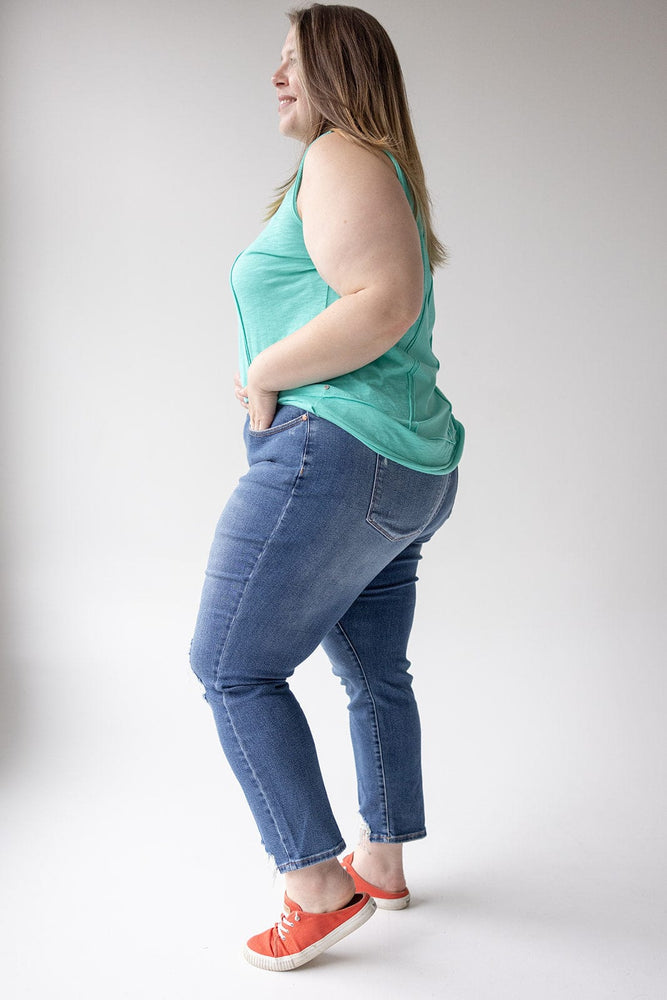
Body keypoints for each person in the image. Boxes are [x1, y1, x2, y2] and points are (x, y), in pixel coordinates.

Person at [189, 3, 464, 972]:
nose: (275, 77)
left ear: (338, 71)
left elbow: (380, 304)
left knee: (229, 665)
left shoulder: (342, 155)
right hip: (407, 467)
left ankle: (315, 884)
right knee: (371, 669)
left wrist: (266, 376)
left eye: (292, 61)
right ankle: (379, 858)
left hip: (334, 455)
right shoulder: (376, 164)